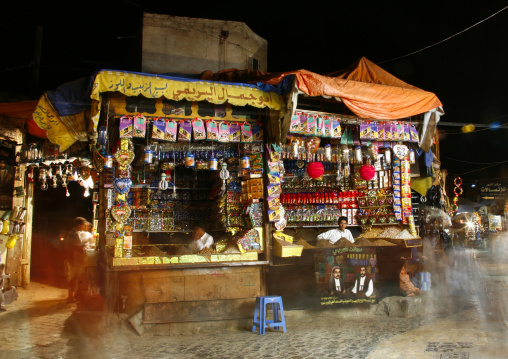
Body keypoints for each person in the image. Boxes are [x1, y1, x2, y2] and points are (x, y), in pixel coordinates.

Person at [65, 217, 88, 302]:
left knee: (75, 277)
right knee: (73, 278)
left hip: (73, 258)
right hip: (72, 259)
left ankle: (73, 296)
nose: (84, 227)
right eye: (83, 225)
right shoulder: (74, 234)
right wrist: (84, 249)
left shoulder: (75, 233)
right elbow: (76, 246)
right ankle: (70, 297)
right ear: (79, 225)